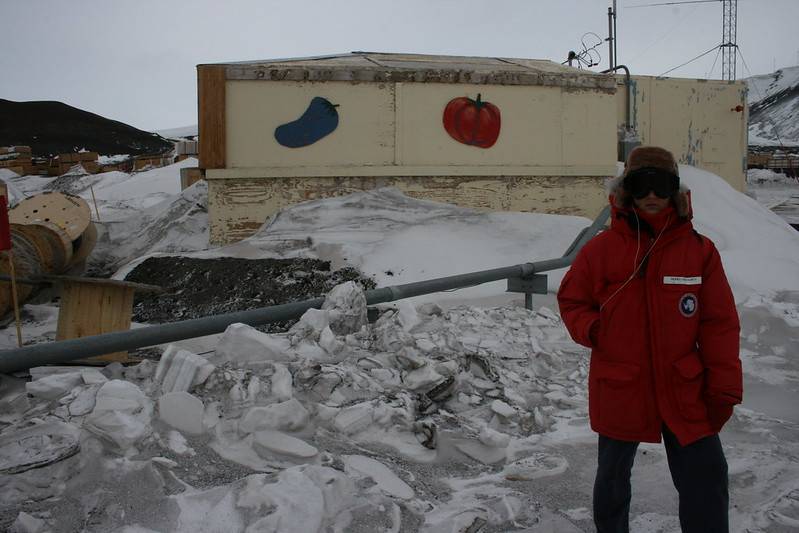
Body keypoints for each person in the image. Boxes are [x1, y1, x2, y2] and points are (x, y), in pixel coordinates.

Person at [557, 146, 742, 533]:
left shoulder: (699, 251)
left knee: (706, 477)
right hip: (620, 384)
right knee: (611, 478)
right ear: (627, 191)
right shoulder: (602, 250)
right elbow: (572, 299)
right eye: (642, 186)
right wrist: (593, 329)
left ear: (676, 191)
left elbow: (719, 323)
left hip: (683, 385)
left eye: (662, 186)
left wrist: (723, 386)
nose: (652, 196)